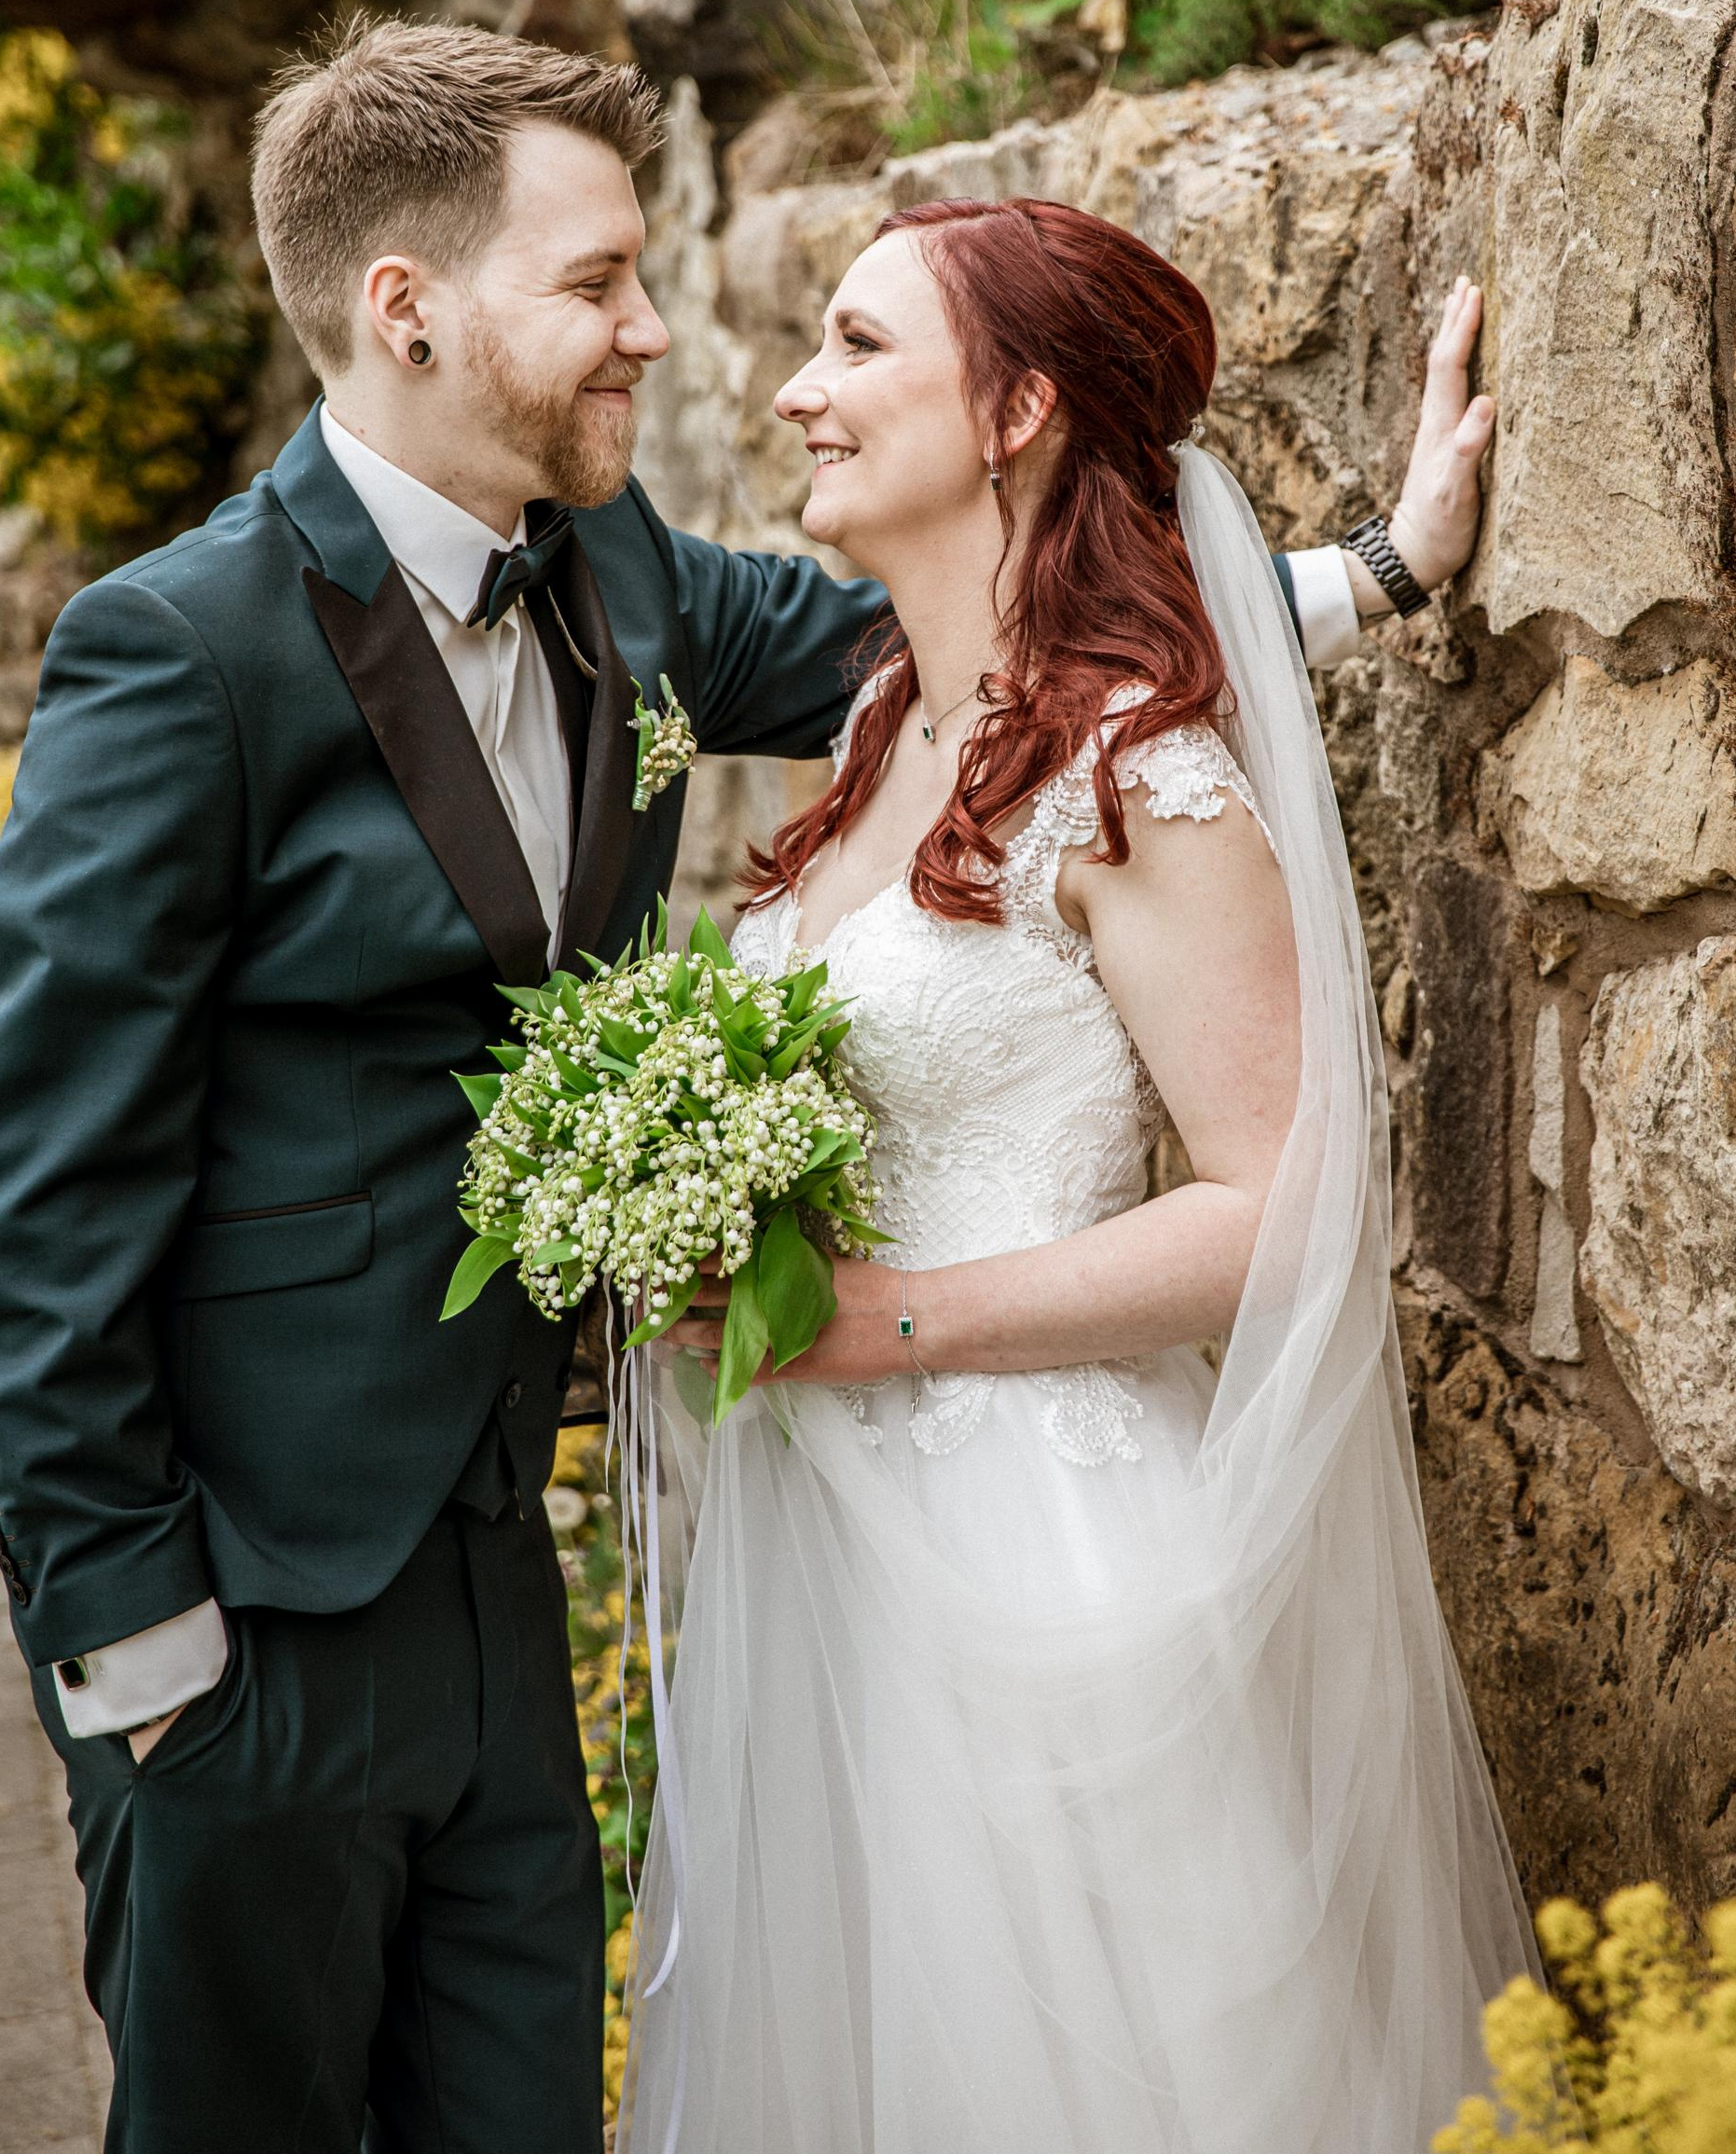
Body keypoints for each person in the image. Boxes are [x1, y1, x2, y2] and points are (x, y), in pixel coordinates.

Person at [0, 15, 1487, 2154]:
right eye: (595, 285)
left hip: (511, 1583)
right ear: (406, 309)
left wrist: (1374, 573)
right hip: (251, 1614)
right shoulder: (179, 650)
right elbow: (35, 1198)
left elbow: (996, 642)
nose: (660, 335)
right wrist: (136, 1656)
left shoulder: (627, 583)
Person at [628, 198, 1533, 2154]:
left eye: (860, 346)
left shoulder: (1146, 766)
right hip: (827, 1556)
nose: (795, 390)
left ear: (1019, 405)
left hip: (1044, 1558)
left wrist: (896, 1324)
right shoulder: (881, 725)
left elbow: (1289, 1205)